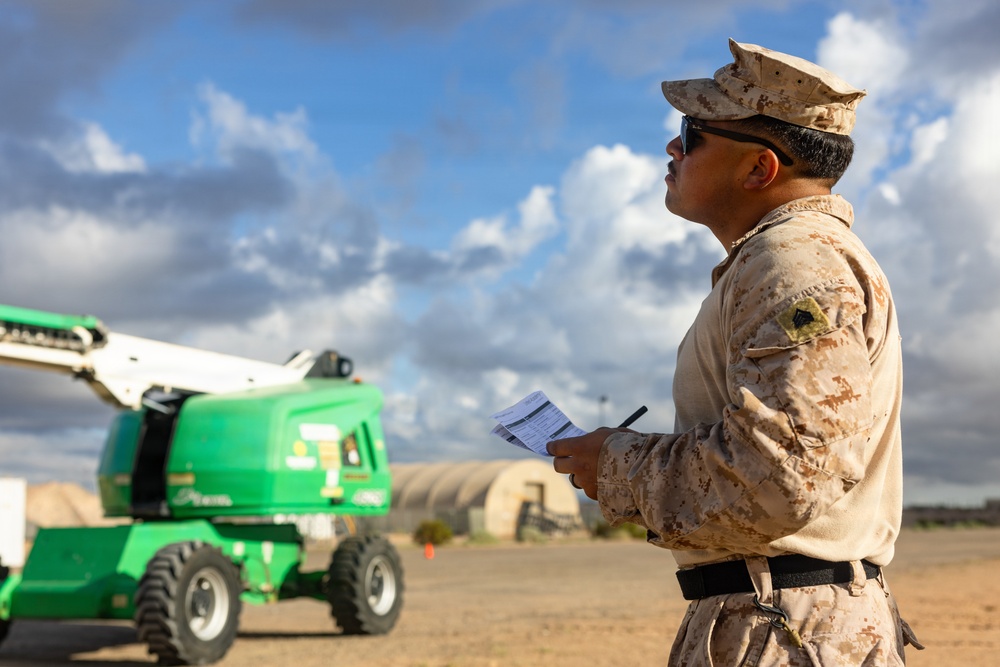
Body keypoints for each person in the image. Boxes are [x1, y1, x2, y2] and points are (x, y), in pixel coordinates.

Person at [548, 39, 923, 665]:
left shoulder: (794, 264)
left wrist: (615, 466)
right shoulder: (780, 261)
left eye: (692, 134)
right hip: (774, 615)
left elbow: (781, 473)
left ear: (758, 170)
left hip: (784, 625)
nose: (672, 148)